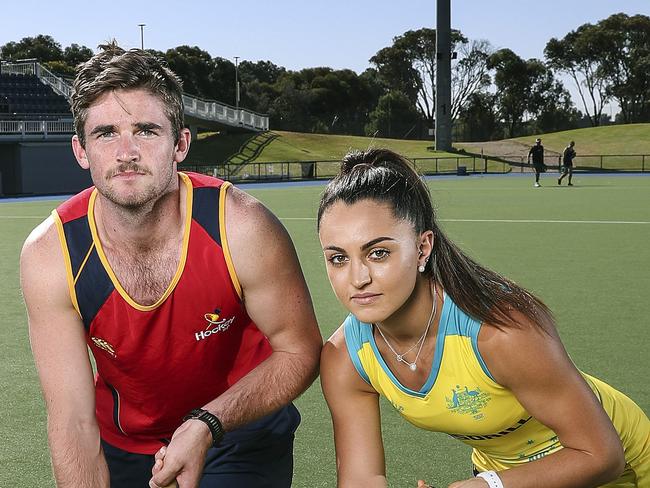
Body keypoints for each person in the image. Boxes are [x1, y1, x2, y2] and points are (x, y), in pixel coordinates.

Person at [20, 43, 322, 488]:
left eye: (145, 130)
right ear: (81, 151)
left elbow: (299, 350)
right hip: (124, 441)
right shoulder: (52, 253)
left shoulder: (239, 226)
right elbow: (71, 421)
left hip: (237, 430)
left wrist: (207, 423)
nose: (126, 152)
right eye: (105, 133)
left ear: (180, 143)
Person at [317, 148, 649, 487]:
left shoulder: (501, 330)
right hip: (506, 474)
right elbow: (362, 477)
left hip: (618, 461)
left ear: (422, 248)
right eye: (338, 258)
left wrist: (487, 486)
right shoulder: (345, 358)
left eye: (378, 253)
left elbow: (602, 455)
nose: (357, 278)